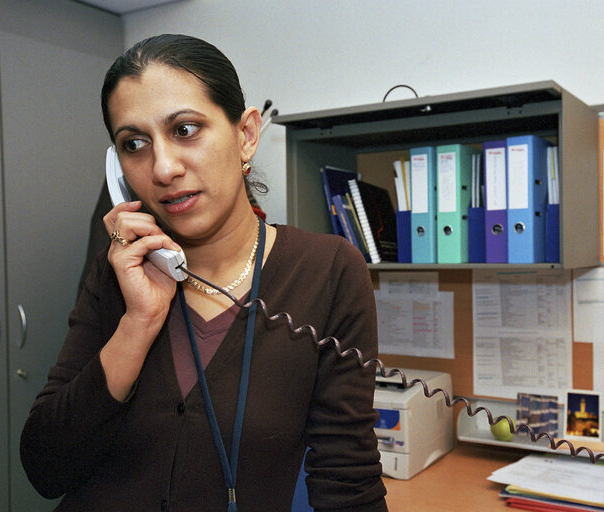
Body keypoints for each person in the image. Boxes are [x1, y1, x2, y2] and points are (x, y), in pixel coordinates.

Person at [20, 34, 388, 512]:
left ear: (246, 135)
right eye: (134, 144)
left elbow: (347, 478)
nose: (163, 167)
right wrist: (138, 323)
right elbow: (45, 468)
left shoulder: (329, 270)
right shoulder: (118, 271)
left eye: (186, 130)